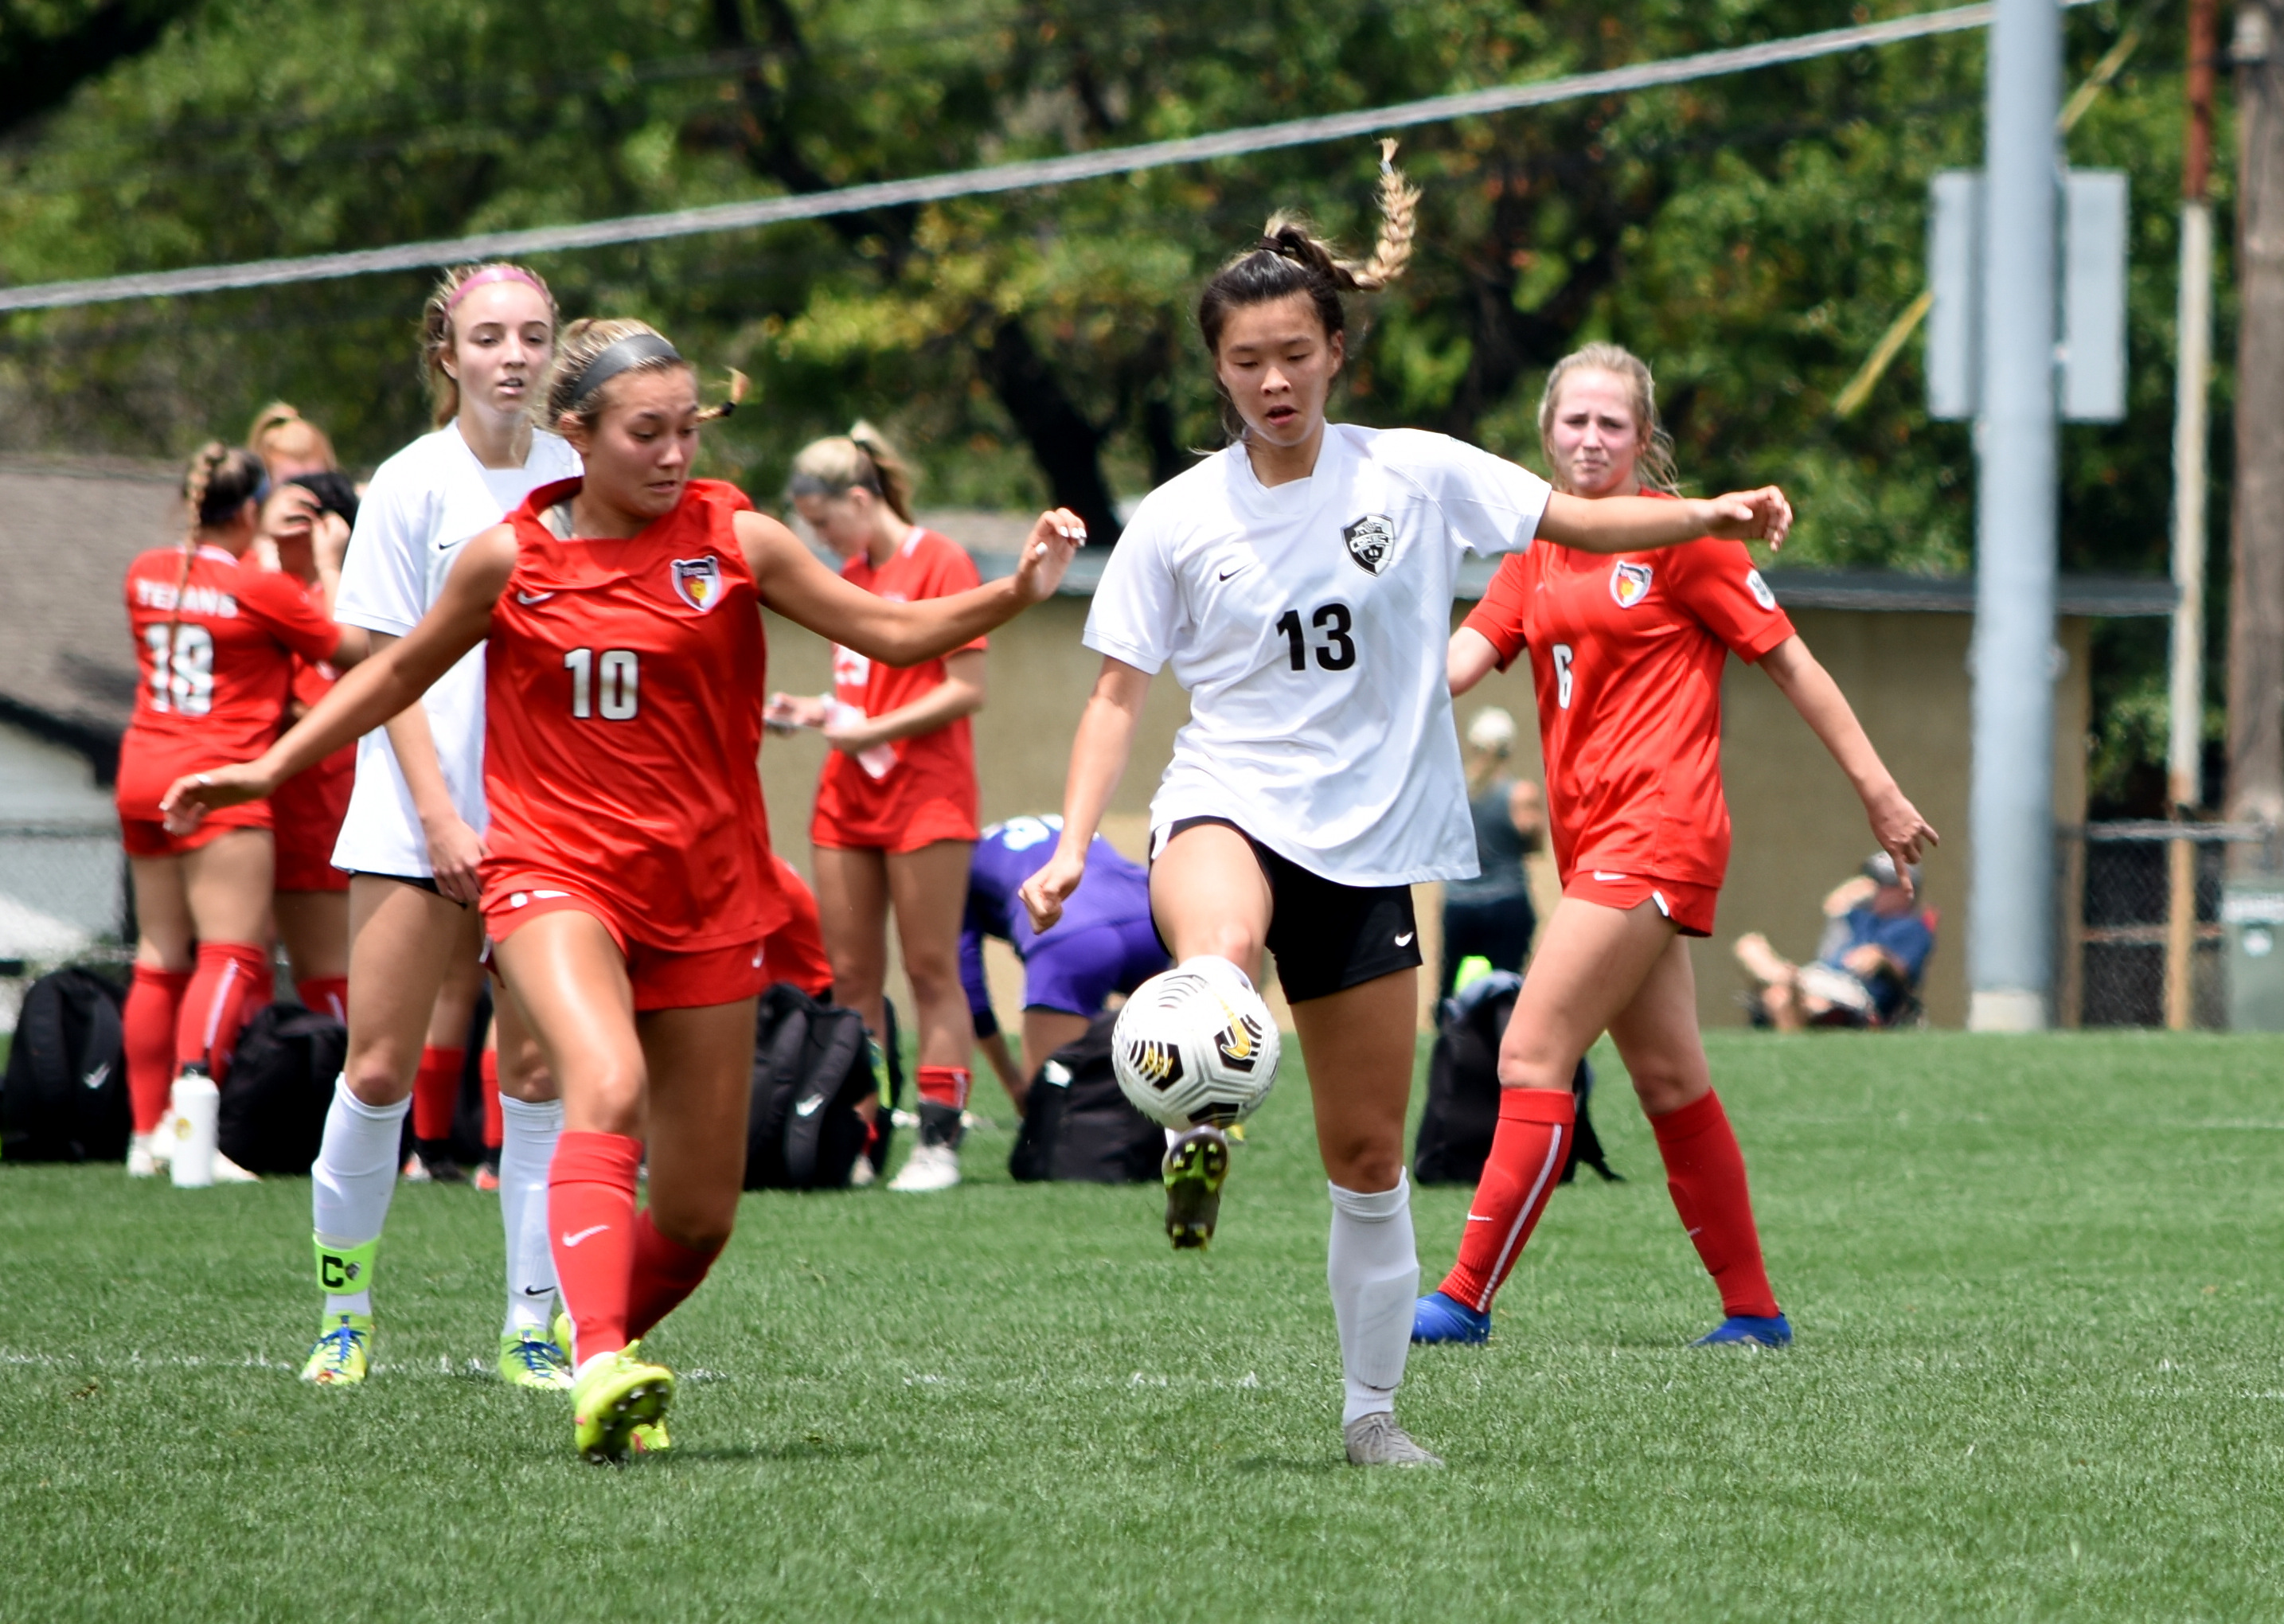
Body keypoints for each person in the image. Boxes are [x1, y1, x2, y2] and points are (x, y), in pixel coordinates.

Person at [164, 316, 1084, 1462]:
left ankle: (595, 1338)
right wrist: (265, 765)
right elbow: (394, 670)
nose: (673, 454)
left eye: (687, 430)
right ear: (577, 437)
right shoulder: (508, 557)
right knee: (602, 1077)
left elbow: (896, 633)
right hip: (553, 875)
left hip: (709, 893)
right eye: (646, 433)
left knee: (698, 1216)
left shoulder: (735, 536)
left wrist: (1018, 589)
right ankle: (592, 1359)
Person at [1015, 146, 1794, 1468]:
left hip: (1367, 842)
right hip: (1224, 805)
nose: (1271, 382)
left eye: (1293, 356)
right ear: (1215, 371)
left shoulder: (1414, 472)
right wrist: (1079, 841)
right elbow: (1111, 696)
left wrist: (1704, 511)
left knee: (1369, 1155)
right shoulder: (1173, 519)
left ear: (1332, 353)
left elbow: (1571, 519)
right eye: (1245, 361)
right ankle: (1199, 1095)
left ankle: (1370, 1418)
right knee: (1214, 966)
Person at [1412, 341, 1937, 1353]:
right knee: (1669, 1081)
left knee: (1530, 1048)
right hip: (1595, 845)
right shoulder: (1539, 548)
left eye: (1613, 423)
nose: (1592, 438)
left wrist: (1877, 791)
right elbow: (1463, 661)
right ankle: (1754, 1314)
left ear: (1644, 441)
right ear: (1546, 434)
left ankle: (1464, 1297)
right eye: (1575, 421)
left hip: (1659, 833)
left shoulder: (1686, 543)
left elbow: (1795, 668)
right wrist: (1359, 706)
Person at [296, 262, 584, 1390]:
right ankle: (343, 1317)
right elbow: (382, 662)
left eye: (532, 336)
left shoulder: (581, 475)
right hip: (416, 826)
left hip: (548, 828)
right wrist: (438, 814)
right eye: (487, 337)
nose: (511, 355)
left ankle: (528, 1325)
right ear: (445, 354)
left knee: (538, 1076)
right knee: (377, 1071)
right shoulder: (411, 483)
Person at [118, 444, 360, 1179]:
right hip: (220, 778)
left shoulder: (145, 571)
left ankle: (143, 1135)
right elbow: (354, 649)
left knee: (159, 958)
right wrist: (322, 567)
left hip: (141, 771)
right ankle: (189, 1126)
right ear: (251, 508)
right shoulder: (262, 588)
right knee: (232, 952)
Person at [766, 425, 990, 1194]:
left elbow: (965, 688)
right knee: (852, 977)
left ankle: (938, 1140)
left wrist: (871, 727)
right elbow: (866, 690)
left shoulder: (942, 561)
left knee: (931, 970)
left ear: (859, 500)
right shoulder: (852, 574)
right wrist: (816, 709)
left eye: (827, 524)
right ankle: (854, 1139)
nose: (824, 543)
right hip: (847, 797)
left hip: (926, 796)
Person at [961, 814, 1167, 1114]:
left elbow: (968, 982)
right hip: (1146, 918)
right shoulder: (1059, 824)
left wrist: (1016, 1085)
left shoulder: (960, 862)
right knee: (1171, 1080)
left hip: (1073, 938)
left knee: (1052, 1113)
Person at [261, 470, 359, 1025]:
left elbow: (345, 685)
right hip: (264, 802)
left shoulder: (337, 592)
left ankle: (371, 1104)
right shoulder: (258, 584)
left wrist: (331, 564)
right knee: (247, 960)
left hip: (320, 800)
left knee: (326, 971)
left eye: (301, 516)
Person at [1735, 853, 1936, 1029]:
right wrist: (1858, 888)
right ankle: (1786, 980)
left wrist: (1881, 958)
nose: (1874, 889)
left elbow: (1905, 976)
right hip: (1822, 977)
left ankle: (1788, 982)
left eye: (1882, 884)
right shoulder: (1862, 917)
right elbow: (1834, 905)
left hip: (1853, 993)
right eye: (1872, 881)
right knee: (1749, 945)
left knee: (1782, 999)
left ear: (1905, 890)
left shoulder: (1913, 928)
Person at [1439, 705, 1545, 998]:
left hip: (1458, 904)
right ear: (1508, 748)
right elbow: (1534, 843)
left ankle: (1450, 1041)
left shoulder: (1454, 790)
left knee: (1448, 990)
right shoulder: (1521, 793)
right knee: (1505, 988)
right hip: (1506, 902)